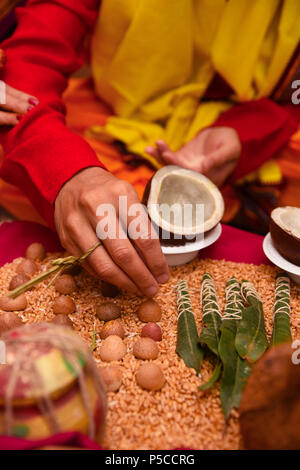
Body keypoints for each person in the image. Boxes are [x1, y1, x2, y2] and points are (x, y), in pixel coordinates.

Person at [0, 0, 299, 294]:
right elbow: (29, 69)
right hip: (115, 115)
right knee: (77, 198)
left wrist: (245, 135)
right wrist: (68, 175)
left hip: (249, 120)